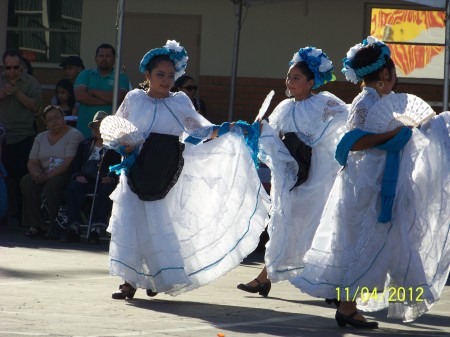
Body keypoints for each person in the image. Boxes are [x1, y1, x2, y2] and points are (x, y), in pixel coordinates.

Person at [291, 36, 450, 328]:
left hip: (376, 182)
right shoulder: (366, 101)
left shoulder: (382, 101)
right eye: (392, 72)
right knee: (360, 244)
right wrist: (394, 136)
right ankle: (348, 306)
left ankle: (350, 305)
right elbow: (352, 142)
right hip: (363, 186)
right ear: (385, 74)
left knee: (379, 243)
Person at [103, 40, 269, 300]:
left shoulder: (180, 101)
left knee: (159, 223)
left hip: (167, 168)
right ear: (147, 75)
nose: (166, 80)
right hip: (136, 167)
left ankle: (157, 278)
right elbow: (119, 128)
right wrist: (123, 148)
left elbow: (199, 130)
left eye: (171, 75)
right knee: (131, 221)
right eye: (160, 75)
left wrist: (229, 128)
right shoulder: (134, 98)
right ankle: (128, 281)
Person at [236, 47, 349, 298]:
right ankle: (266, 276)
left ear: (311, 82)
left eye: (296, 78)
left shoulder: (324, 102)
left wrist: (320, 140)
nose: (290, 82)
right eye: (289, 77)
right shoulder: (285, 106)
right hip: (289, 175)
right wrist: (260, 130)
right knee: (283, 222)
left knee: (316, 225)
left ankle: (329, 283)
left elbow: (347, 118)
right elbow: (272, 135)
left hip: (318, 175)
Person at [20, 105, 83, 238]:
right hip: (44, 172)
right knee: (27, 181)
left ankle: (57, 225)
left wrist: (46, 176)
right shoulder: (40, 137)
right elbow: (32, 161)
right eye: (50, 119)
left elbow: (67, 163)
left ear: (63, 118)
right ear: (45, 122)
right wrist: (36, 173)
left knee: (52, 185)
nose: (54, 121)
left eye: (57, 117)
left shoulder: (74, 134)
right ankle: (37, 224)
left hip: (65, 173)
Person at [60, 110, 121, 243]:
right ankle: (73, 226)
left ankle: (96, 228)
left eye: (102, 126)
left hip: (104, 179)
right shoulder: (85, 144)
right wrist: (77, 175)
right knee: (74, 187)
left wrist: (112, 178)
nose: (98, 129)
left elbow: (119, 167)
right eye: (95, 126)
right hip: (86, 178)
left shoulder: (115, 147)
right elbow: (76, 165)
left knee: (107, 189)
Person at [0, 49, 42, 226]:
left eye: (15, 67)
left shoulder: (30, 82)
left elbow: (35, 106)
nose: (11, 71)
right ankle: (6, 216)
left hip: (23, 137)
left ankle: (23, 220)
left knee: (21, 179)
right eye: (7, 68)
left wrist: (17, 93)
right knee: (5, 180)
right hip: (2, 139)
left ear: (21, 66)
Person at [74, 43, 130, 138]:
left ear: (114, 59)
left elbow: (119, 97)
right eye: (101, 56)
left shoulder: (121, 77)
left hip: (110, 133)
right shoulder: (85, 74)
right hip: (84, 132)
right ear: (96, 58)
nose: (104, 59)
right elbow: (80, 96)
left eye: (108, 56)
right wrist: (109, 100)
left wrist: (93, 92)